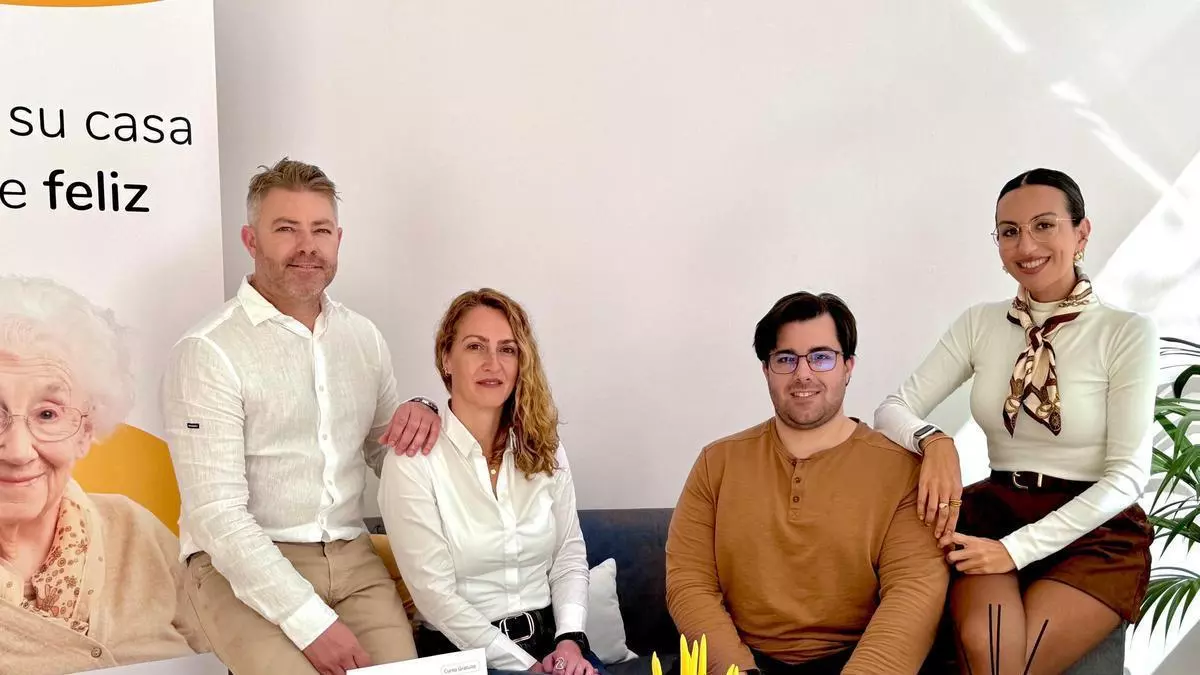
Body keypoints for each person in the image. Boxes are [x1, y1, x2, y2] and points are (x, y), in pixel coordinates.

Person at [162, 158, 441, 675]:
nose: (307, 246)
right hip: (239, 563)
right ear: (251, 240)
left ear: (339, 240)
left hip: (354, 560)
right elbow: (217, 516)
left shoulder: (363, 338)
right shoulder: (208, 351)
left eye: (321, 230)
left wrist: (425, 413)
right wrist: (309, 623)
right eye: (286, 229)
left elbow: (387, 451)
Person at [873, 168, 1157, 674]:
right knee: (986, 645)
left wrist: (1015, 551)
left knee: (1009, 665)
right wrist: (934, 440)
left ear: (1082, 233)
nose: (1025, 245)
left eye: (1044, 225)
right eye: (1009, 231)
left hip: (1093, 530)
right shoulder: (980, 323)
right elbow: (892, 408)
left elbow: (1128, 476)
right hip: (994, 512)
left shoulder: (1126, 333)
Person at [666, 291, 949, 675]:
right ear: (766, 371)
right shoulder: (716, 463)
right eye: (786, 359)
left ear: (848, 367)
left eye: (821, 357)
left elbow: (913, 595)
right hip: (741, 662)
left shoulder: (903, 471)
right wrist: (736, 671)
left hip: (856, 661)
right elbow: (688, 582)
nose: (803, 373)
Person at [377, 288, 602, 675]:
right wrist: (527, 666)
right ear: (446, 358)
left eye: (507, 350)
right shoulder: (413, 459)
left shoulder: (545, 447)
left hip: (553, 646)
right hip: (463, 656)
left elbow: (568, 555)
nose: (492, 364)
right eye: (475, 347)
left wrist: (570, 642)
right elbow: (434, 596)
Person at [0, 276, 209, 674]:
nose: (18, 450)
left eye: (48, 414)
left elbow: (228, 650)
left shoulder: (133, 530)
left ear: (86, 431)